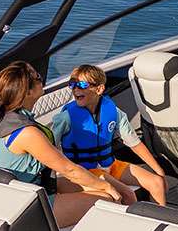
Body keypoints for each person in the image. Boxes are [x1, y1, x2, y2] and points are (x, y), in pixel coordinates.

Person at [0, 60, 124, 227]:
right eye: (38, 77)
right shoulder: (26, 132)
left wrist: (103, 184)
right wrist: (105, 187)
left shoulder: (8, 119)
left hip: (35, 188)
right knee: (107, 199)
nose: (42, 79)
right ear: (27, 92)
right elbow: (69, 170)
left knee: (103, 184)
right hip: (30, 205)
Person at [51, 64, 171, 207]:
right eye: (72, 84)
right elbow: (49, 147)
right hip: (86, 171)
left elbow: (134, 143)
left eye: (82, 85)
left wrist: (159, 171)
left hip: (110, 165)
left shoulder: (114, 112)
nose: (76, 89)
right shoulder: (66, 117)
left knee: (157, 183)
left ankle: (161, 218)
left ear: (99, 89)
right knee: (127, 194)